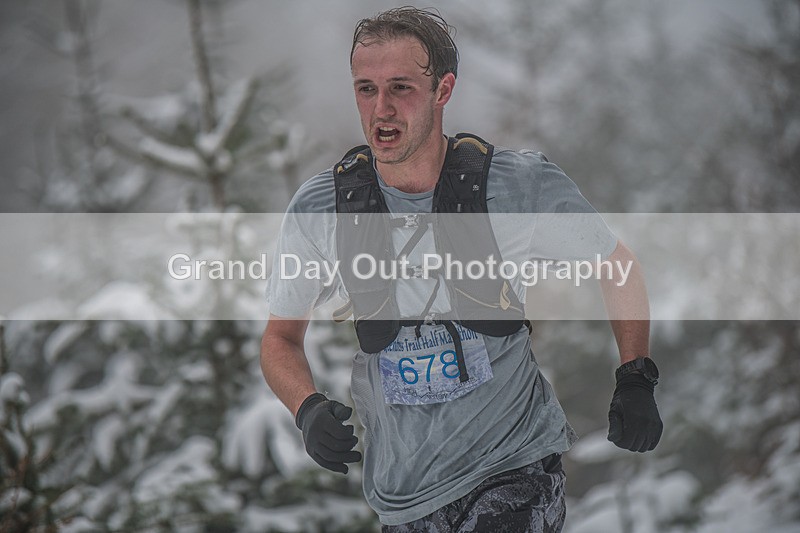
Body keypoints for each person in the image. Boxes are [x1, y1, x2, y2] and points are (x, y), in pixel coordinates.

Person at [261, 7, 662, 532]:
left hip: (514, 468)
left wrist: (635, 376)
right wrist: (306, 407)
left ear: (443, 89)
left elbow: (617, 266)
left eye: (400, 87)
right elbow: (280, 338)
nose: (381, 109)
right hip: (404, 496)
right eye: (366, 88)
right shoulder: (322, 208)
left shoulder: (518, 186)